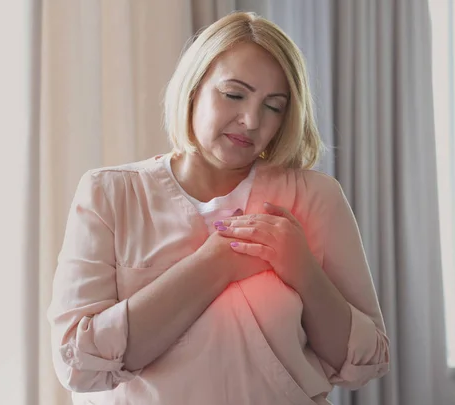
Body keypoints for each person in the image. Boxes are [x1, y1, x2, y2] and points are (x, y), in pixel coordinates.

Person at [47, 11, 390, 405]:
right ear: (194, 88)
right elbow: (78, 365)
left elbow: (367, 362)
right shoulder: (109, 193)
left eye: (273, 106)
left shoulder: (315, 197)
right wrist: (216, 263)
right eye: (234, 94)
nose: (250, 120)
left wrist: (303, 271)